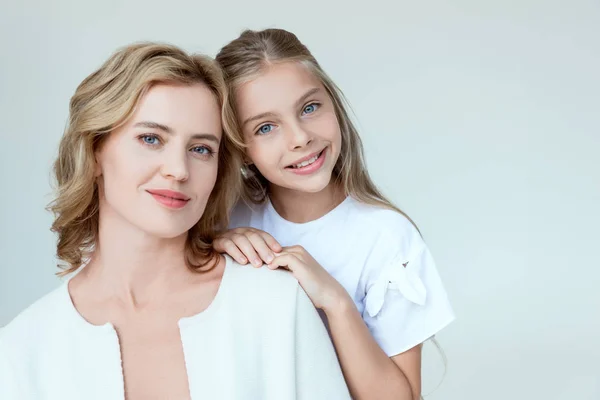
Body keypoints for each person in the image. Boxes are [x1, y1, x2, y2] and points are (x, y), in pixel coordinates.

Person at [0, 42, 350, 400]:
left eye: (201, 149)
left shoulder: (276, 305)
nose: (179, 170)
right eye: (151, 139)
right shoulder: (21, 351)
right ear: (93, 152)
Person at [214, 28, 455, 400]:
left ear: (334, 105)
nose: (299, 137)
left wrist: (336, 301)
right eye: (266, 127)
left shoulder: (386, 238)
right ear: (241, 148)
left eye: (309, 108)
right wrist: (212, 242)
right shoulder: (226, 220)